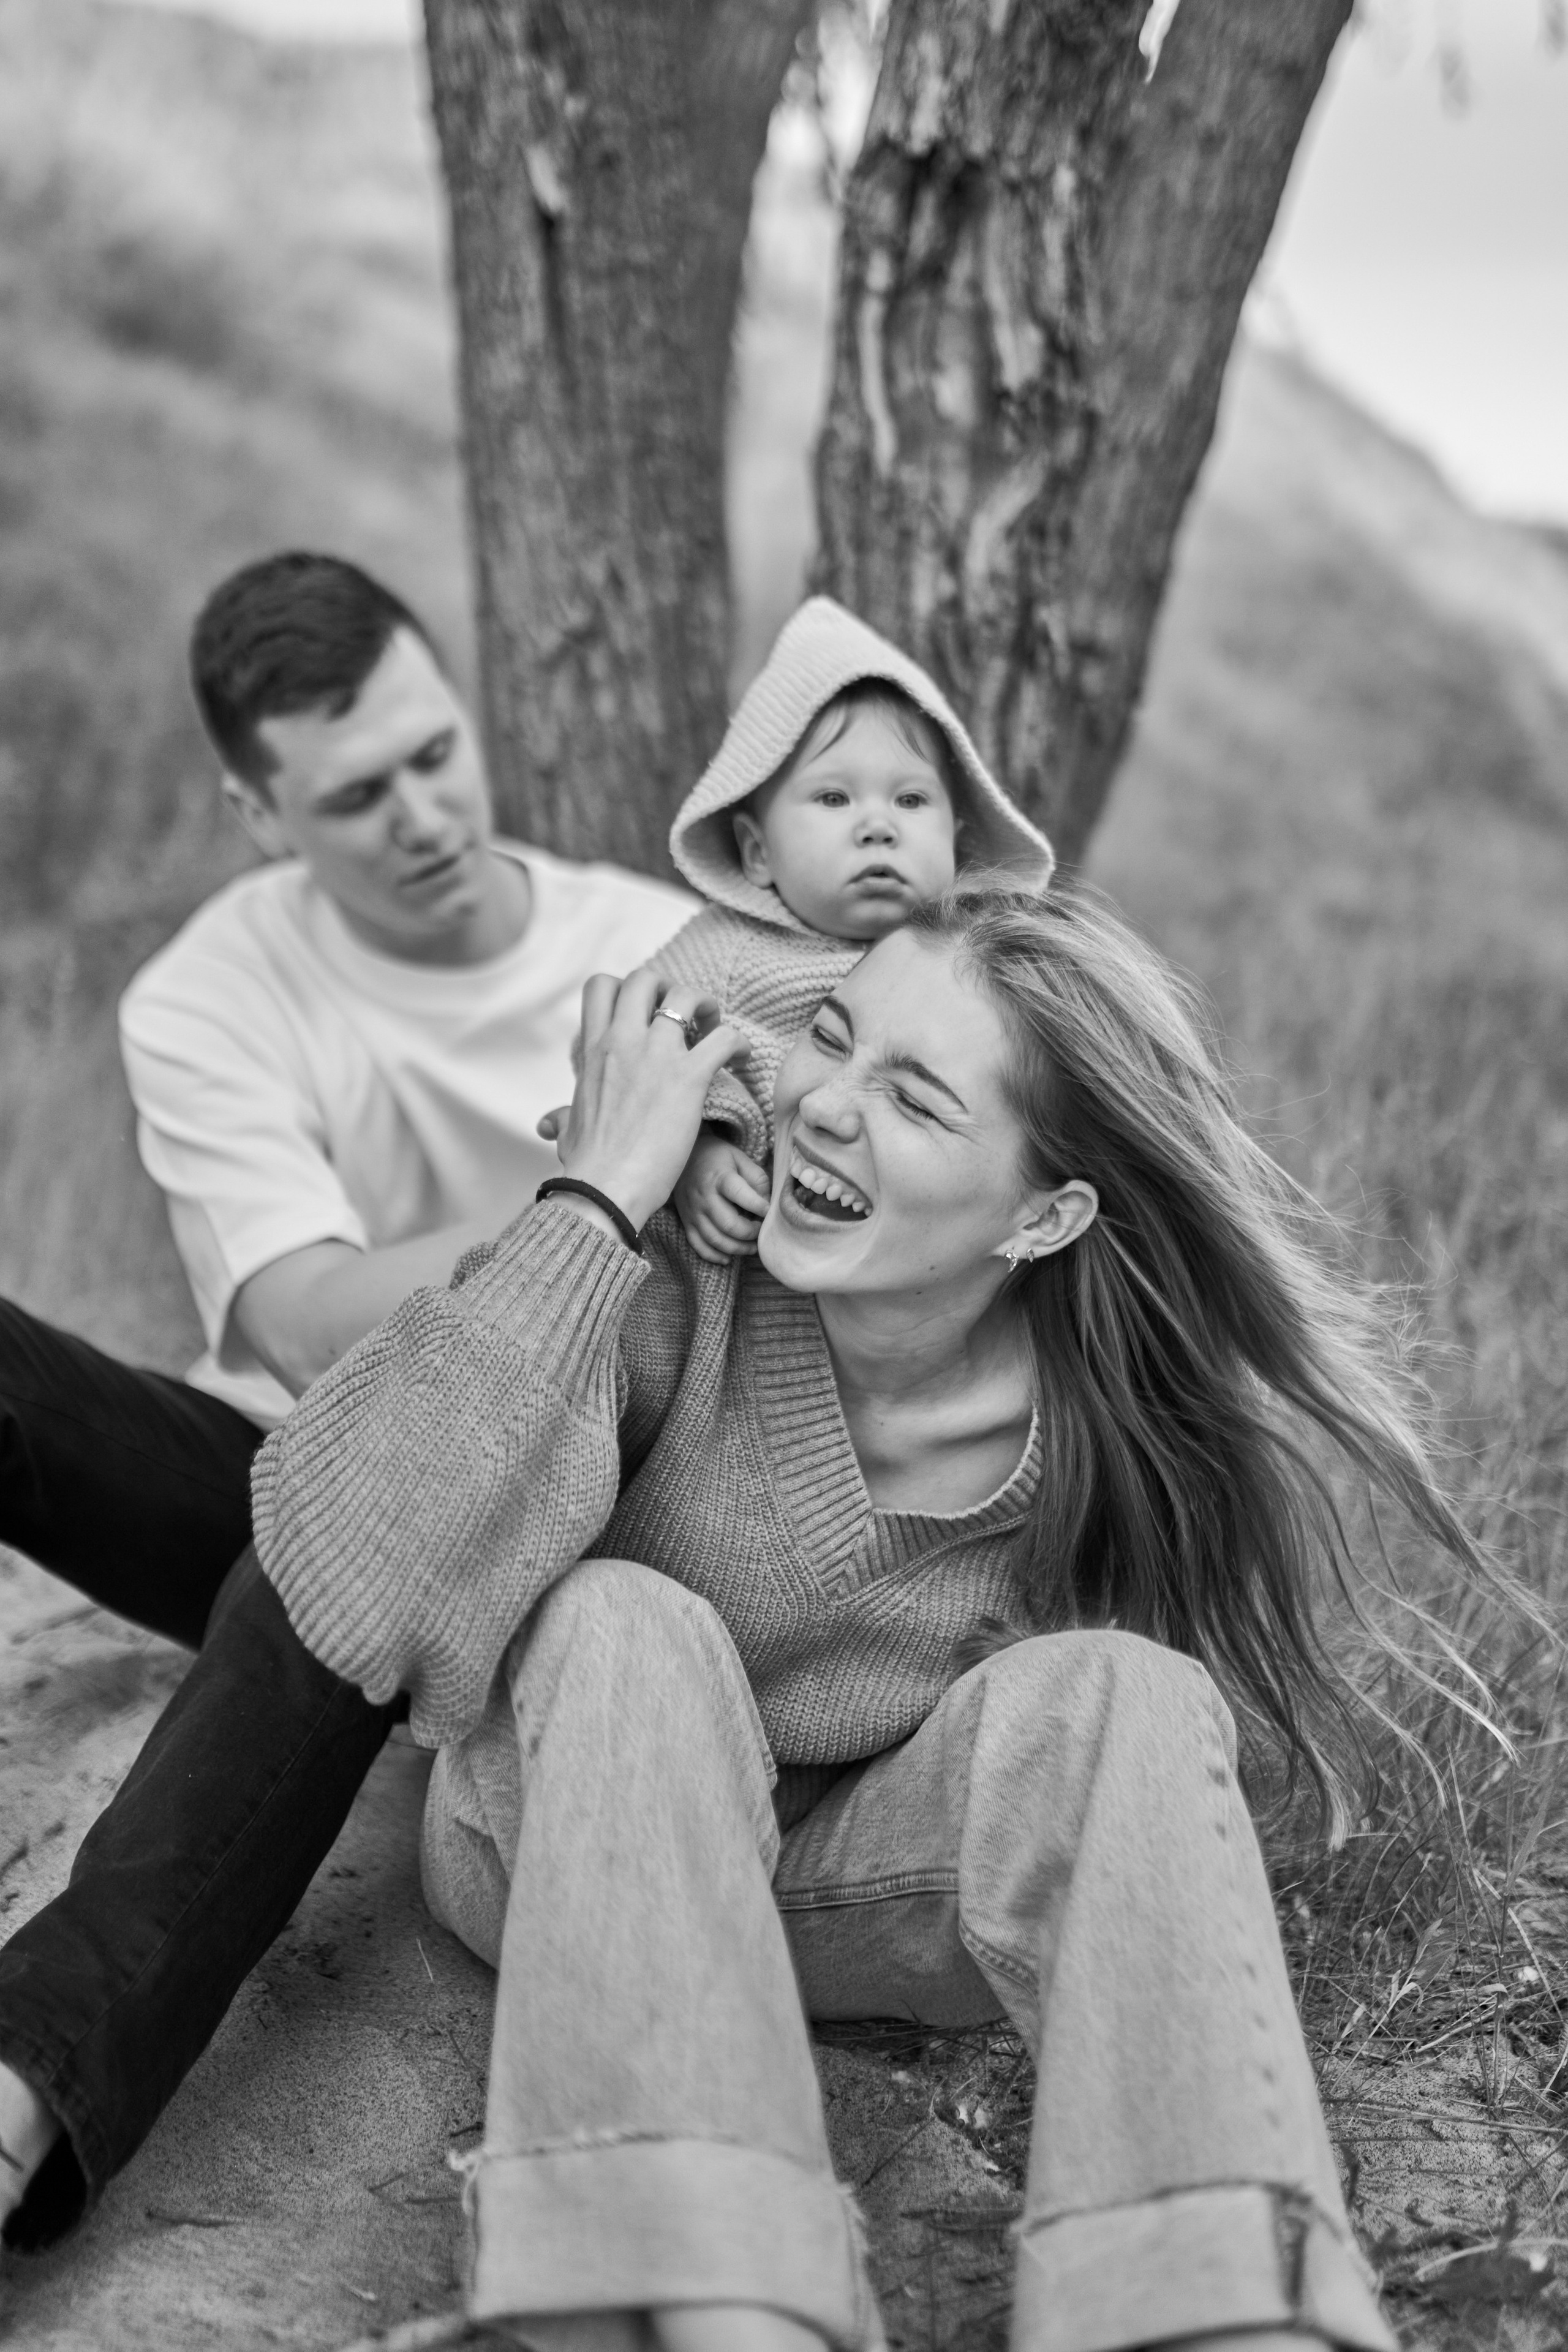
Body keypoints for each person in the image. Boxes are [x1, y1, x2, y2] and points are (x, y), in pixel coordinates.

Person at [246, 876, 1498, 2352]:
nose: (823, 1108)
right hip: (566, 1834)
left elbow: (1119, 1811)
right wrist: (589, 1201)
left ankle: (1219, 2312)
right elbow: (343, 1577)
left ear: (1045, 1212)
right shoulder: (664, 1267)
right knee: (621, 1610)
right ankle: (727, 2313)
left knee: (1129, 1690)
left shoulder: (1095, 1438)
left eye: (911, 1098)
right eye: (828, 1039)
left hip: (847, 1887)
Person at [0, 551, 692, 2244]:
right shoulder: (209, 994)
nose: (428, 814)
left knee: (369, 1523)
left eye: (436, 752)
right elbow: (307, 1325)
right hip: (285, 1462)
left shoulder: (656, 950)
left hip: (582, 1501)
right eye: (360, 794)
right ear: (257, 810)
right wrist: (593, 1199)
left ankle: (19, 2094)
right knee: (317, 1482)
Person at [649, 596, 1052, 1261]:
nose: (878, 824)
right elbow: (626, 1051)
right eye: (834, 798)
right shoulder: (725, 954)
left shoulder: (967, 976)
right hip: (733, 1251)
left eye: (911, 799)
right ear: (757, 851)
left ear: (957, 843)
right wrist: (694, 1155)